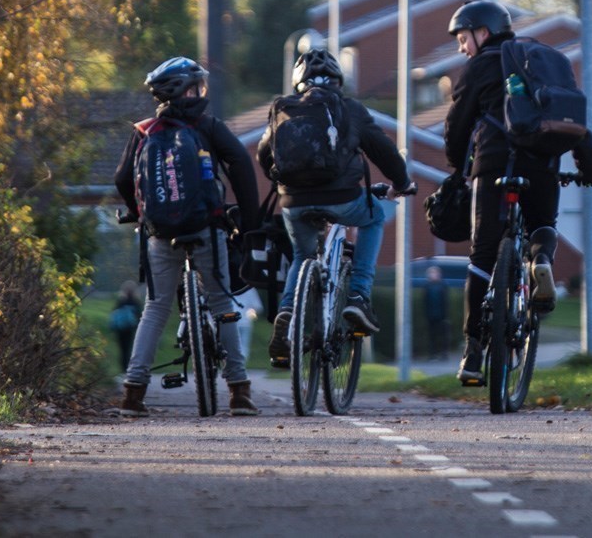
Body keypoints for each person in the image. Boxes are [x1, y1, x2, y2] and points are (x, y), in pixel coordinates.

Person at [442, 0, 592, 385]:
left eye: (464, 38)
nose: (462, 47)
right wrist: (589, 167)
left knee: (482, 254)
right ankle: (539, 261)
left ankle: (473, 352)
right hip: (542, 163)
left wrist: (458, 166)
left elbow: (458, 125)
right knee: (542, 223)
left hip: (494, 162)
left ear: (483, 32)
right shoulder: (542, 60)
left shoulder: (479, 66)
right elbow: (569, 117)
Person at [113, 56, 263, 417]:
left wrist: (138, 213)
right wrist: (249, 221)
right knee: (223, 304)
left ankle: (133, 393)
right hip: (206, 230)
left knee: (155, 307)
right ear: (190, 89)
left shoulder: (145, 130)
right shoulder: (208, 125)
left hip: (160, 233)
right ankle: (239, 391)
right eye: (199, 85)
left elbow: (121, 179)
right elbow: (241, 166)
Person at [259, 47, 414, 366]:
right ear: (337, 81)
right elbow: (383, 149)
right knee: (373, 217)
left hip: (294, 201)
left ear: (297, 83)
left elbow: (264, 153)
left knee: (302, 255)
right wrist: (402, 183)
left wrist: (282, 183)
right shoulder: (349, 108)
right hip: (342, 197)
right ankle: (358, 296)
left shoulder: (283, 110)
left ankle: (287, 312)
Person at [109, 280, 142, 371]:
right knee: (129, 348)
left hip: (120, 329)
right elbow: (139, 316)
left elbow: (114, 313)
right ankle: (130, 367)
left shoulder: (121, 301)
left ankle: (123, 368)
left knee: (122, 349)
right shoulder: (136, 302)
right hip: (130, 328)